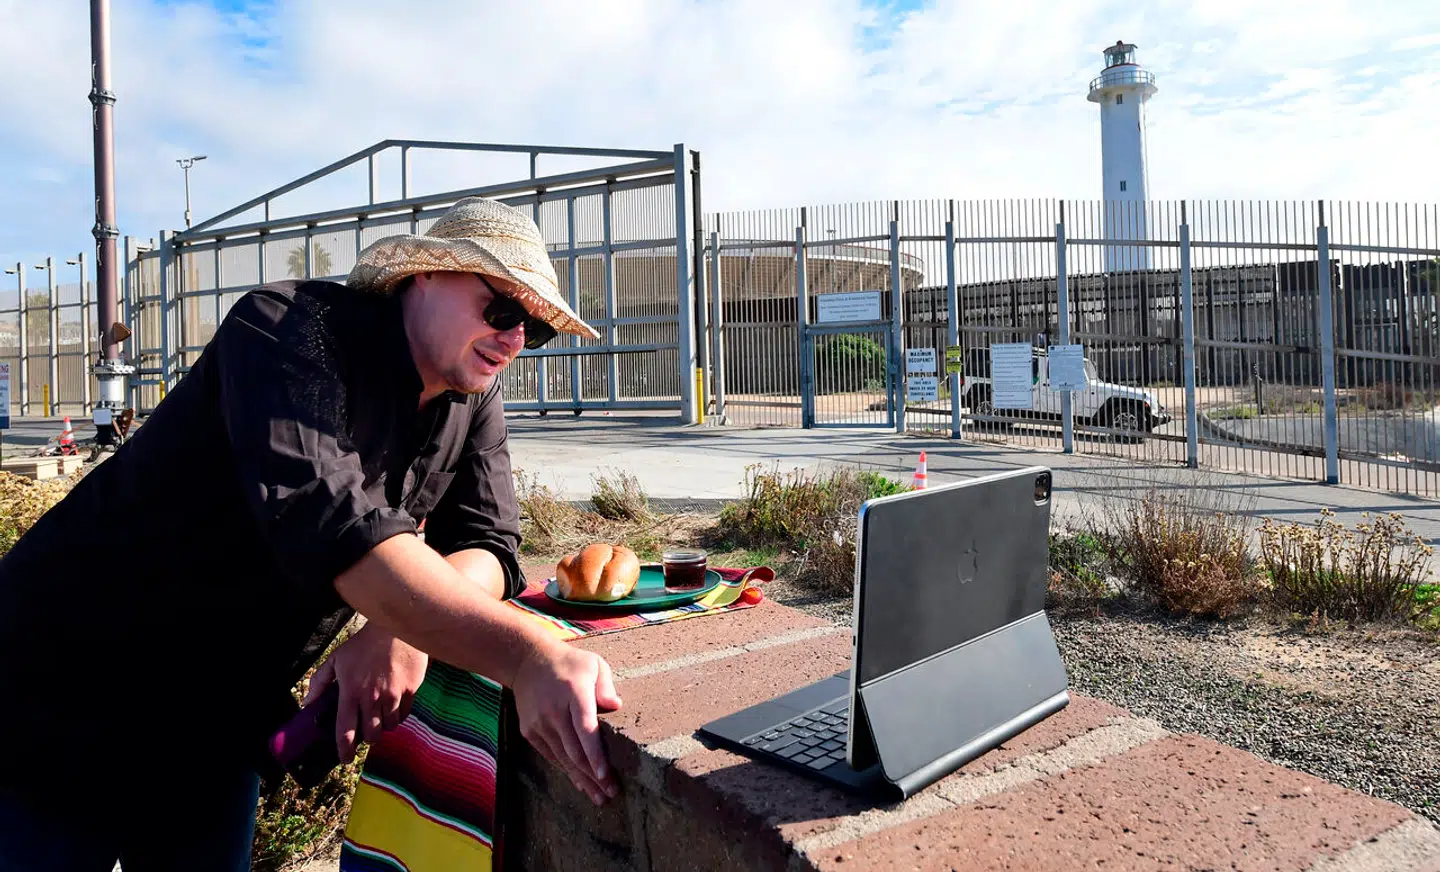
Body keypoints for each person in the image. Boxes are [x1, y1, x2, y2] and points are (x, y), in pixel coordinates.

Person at [0, 197, 621, 871]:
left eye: (534, 326)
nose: (514, 338)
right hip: (61, 694)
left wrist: (403, 629)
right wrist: (527, 656)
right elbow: (339, 529)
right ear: (426, 274)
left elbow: (490, 546)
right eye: (501, 309)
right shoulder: (287, 331)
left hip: (216, 720)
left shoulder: (473, 397)